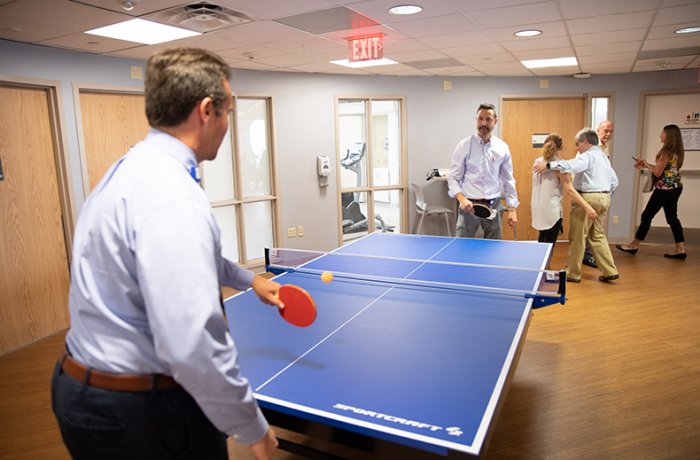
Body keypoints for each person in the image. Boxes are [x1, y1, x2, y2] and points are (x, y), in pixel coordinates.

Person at [51, 48, 281, 460]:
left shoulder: (130, 168)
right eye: (228, 111)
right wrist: (252, 427)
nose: (228, 124)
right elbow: (192, 344)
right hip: (140, 413)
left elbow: (189, 263)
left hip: (86, 393)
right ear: (206, 110)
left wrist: (250, 280)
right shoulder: (173, 195)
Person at [534, 128, 619, 283]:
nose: (577, 148)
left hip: (588, 198)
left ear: (585, 142)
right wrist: (604, 196)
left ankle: (572, 272)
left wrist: (548, 165)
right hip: (604, 197)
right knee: (597, 236)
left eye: (577, 144)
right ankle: (609, 270)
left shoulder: (587, 155)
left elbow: (571, 166)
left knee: (578, 237)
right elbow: (615, 181)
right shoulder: (603, 157)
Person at [447, 103, 518, 239]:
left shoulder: (502, 148)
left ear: (495, 121)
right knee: (461, 248)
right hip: (468, 206)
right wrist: (462, 199)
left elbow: (508, 180)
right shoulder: (464, 145)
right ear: (476, 120)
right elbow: (453, 178)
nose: (483, 123)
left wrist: (513, 209)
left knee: (493, 250)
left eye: (488, 119)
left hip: (494, 206)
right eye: (480, 119)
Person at [616, 124, 686, 259]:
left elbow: (657, 173)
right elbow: (666, 169)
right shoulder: (677, 152)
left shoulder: (666, 152)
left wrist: (646, 165)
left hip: (664, 190)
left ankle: (634, 245)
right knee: (672, 218)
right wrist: (646, 163)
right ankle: (680, 249)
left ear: (668, 136)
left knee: (647, 215)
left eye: (662, 133)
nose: (660, 135)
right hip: (676, 188)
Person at [531, 133, 597, 254]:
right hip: (552, 210)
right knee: (549, 245)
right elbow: (570, 190)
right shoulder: (560, 166)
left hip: (538, 208)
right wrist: (588, 207)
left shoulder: (538, 162)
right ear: (561, 147)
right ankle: (546, 269)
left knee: (542, 241)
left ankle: (541, 269)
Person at [582, 120, 615, 268]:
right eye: (605, 131)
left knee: (595, 226)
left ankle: (589, 255)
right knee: (590, 227)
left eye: (610, 131)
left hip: (602, 194)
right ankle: (587, 256)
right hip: (590, 194)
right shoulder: (592, 149)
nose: (608, 134)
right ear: (597, 131)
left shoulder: (604, 149)